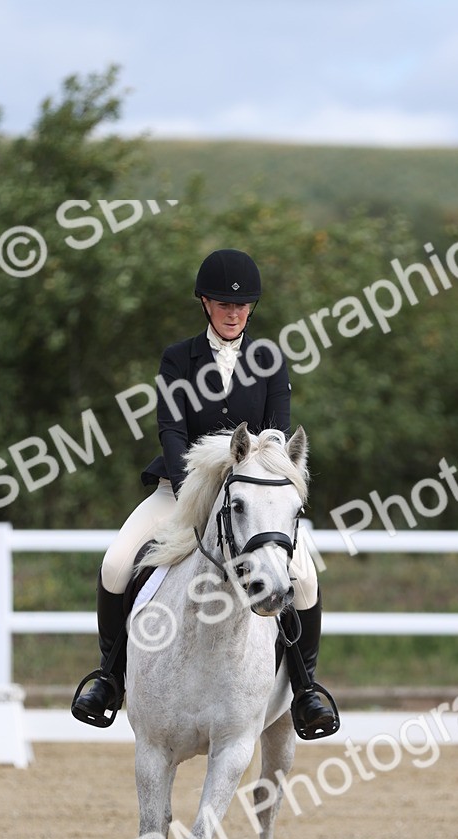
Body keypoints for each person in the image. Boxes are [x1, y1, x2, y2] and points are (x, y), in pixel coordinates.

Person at [71, 247, 339, 739]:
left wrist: (257, 481)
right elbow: (170, 429)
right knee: (115, 562)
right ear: (204, 303)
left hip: (250, 500)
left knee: (303, 578)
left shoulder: (269, 360)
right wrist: (194, 487)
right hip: (181, 491)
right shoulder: (178, 358)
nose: (233, 312)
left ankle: (306, 689)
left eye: (241, 305)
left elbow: (276, 436)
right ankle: (110, 677)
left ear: (251, 308)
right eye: (222, 303)